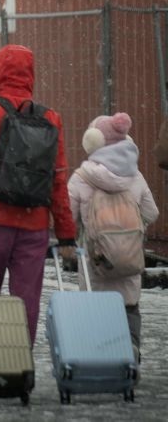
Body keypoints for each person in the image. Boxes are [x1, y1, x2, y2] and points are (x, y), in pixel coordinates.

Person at [0, 44, 75, 346]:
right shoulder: (51, 117)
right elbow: (58, 182)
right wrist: (67, 235)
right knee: (26, 299)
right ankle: (20, 363)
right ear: (30, 75)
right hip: (34, 225)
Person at [68, 112, 159, 362]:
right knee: (129, 307)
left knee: (95, 308)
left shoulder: (81, 177)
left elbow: (67, 217)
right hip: (129, 259)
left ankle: (101, 354)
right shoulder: (136, 177)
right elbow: (152, 212)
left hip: (97, 261)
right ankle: (131, 345)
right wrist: (127, 231)